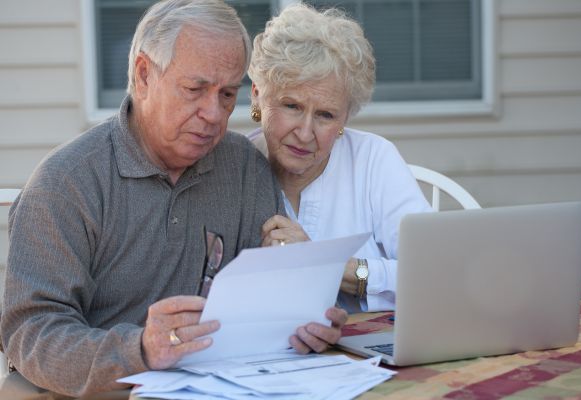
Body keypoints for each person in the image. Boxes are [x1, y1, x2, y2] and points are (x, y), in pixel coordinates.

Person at [0, 0, 347, 397]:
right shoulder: (67, 183)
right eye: (195, 89)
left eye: (228, 94)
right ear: (144, 75)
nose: (214, 113)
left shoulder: (245, 169)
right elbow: (31, 333)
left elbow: (259, 311)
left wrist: (301, 322)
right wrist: (141, 350)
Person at [248, 3, 431, 313]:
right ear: (256, 96)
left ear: (346, 118)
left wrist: (328, 266)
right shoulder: (233, 170)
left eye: (325, 115)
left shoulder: (373, 159)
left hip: (377, 351)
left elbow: (435, 270)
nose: (305, 133)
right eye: (291, 106)